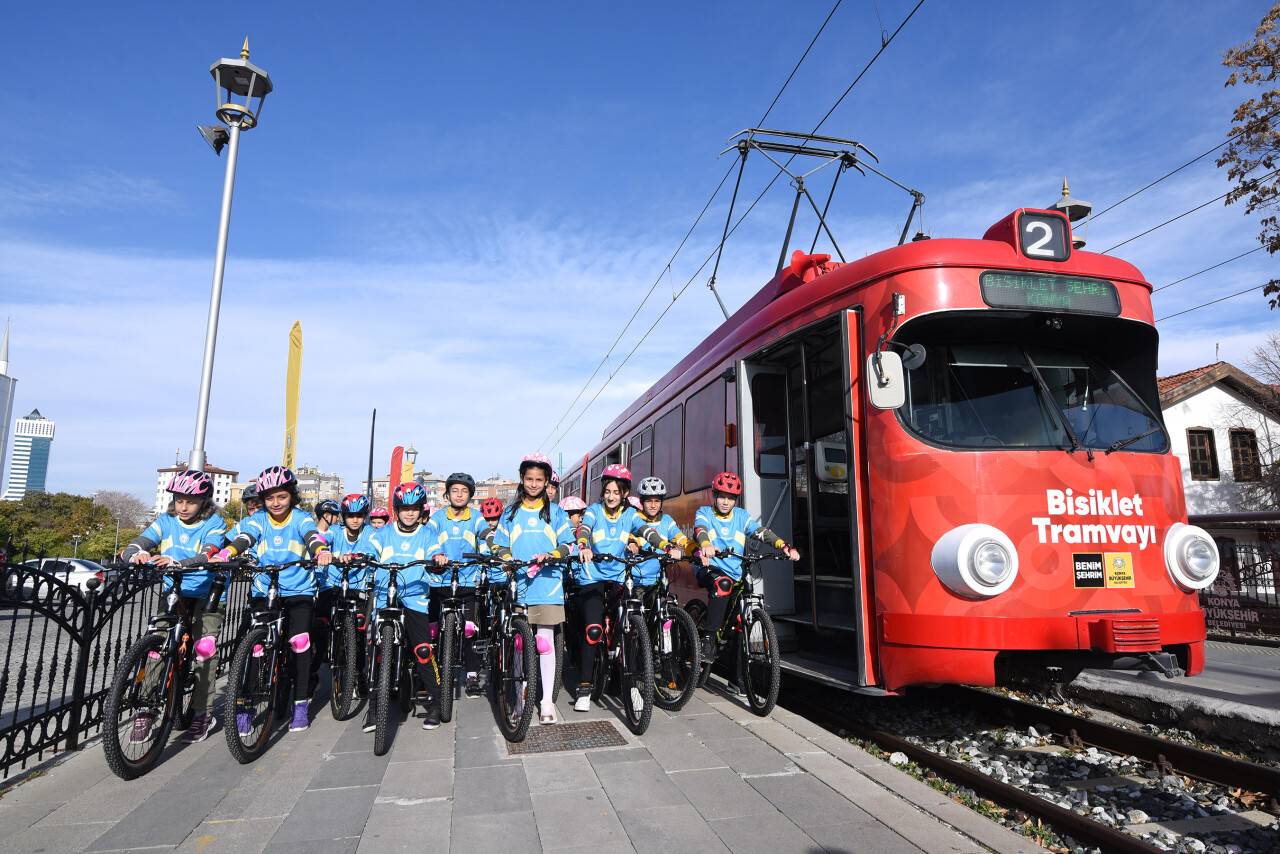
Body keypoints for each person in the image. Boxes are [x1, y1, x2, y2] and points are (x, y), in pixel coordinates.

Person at [216, 466, 331, 733]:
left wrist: (321, 550)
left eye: (281, 497)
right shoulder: (258, 520)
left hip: (297, 590)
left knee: (299, 643)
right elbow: (246, 537)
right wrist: (228, 552)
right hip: (263, 590)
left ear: (291, 496)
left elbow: (311, 537)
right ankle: (245, 703)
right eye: (269, 498)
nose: (276, 503)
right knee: (254, 647)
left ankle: (300, 703)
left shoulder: (301, 518)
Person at [121, 470, 227, 743]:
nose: (183, 506)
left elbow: (212, 551)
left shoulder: (214, 522)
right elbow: (136, 544)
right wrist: (139, 553)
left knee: (204, 650)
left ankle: (202, 713)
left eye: (190, 501)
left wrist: (185, 562)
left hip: (206, 592)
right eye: (179, 500)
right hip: (174, 592)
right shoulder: (166, 521)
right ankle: (146, 709)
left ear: (204, 501)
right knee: (157, 647)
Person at [573, 465, 667, 714]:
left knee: (630, 632)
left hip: (617, 577)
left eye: (617, 491)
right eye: (608, 491)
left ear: (625, 493)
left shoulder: (631, 514)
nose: (612, 496)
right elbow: (584, 529)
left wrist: (664, 545)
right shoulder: (593, 511)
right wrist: (583, 544)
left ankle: (632, 687)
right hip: (592, 577)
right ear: (602, 492)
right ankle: (584, 688)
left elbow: (647, 530)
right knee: (593, 631)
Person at [492, 453, 574, 725]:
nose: (534, 484)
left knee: (544, 643)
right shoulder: (510, 513)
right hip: (518, 584)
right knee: (518, 644)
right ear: (522, 479)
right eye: (529, 479)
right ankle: (518, 700)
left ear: (547, 480)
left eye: (540, 479)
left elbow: (569, 544)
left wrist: (552, 554)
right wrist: (506, 559)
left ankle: (547, 701)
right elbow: (498, 545)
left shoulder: (557, 513)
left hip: (548, 585)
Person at [694, 471, 799, 667]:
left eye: (731, 498)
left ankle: (738, 679)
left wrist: (783, 546)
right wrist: (706, 544)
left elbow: (760, 532)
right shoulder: (705, 513)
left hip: (736, 571)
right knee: (722, 584)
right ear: (714, 496)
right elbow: (700, 529)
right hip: (710, 568)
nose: (726, 502)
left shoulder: (742, 516)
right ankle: (707, 640)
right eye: (722, 497)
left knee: (742, 619)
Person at [366, 482, 441, 731]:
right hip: (385, 596)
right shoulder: (383, 533)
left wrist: (438, 558)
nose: (409, 513)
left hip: (416, 597)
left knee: (422, 650)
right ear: (396, 510)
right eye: (404, 508)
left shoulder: (427, 534)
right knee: (377, 651)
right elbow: (369, 551)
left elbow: (434, 551)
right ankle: (374, 708)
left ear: (421, 510)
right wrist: (358, 557)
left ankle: (435, 702)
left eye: (415, 509)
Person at [425, 473, 489, 698]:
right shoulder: (438, 517)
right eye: (455, 491)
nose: (459, 495)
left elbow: (485, 536)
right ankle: (430, 675)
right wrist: (436, 554)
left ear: (470, 495)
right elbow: (428, 538)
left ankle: (471, 675)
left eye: (464, 491)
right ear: (448, 494)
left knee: (470, 630)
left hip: (467, 580)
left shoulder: (477, 517)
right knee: (432, 631)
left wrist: (487, 551)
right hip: (440, 580)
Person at [314, 494, 376, 689]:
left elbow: (375, 549)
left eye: (359, 515)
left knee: (358, 633)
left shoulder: (371, 533)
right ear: (343, 517)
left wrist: (360, 555)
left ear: (365, 516)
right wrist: (323, 550)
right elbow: (319, 538)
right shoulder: (335, 531)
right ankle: (314, 666)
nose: (355, 520)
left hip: (358, 587)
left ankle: (359, 673)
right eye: (350, 516)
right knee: (320, 623)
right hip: (331, 584)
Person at [630, 477, 691, 589]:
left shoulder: (666, 520)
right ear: (641, 501)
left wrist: (694, 550)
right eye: (649, 501)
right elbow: (630, 539)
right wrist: (632, 544)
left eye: (657, 501)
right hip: (635, 580)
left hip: (659, 579)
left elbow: (680, 537)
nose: (653, 505)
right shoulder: (634, 519)